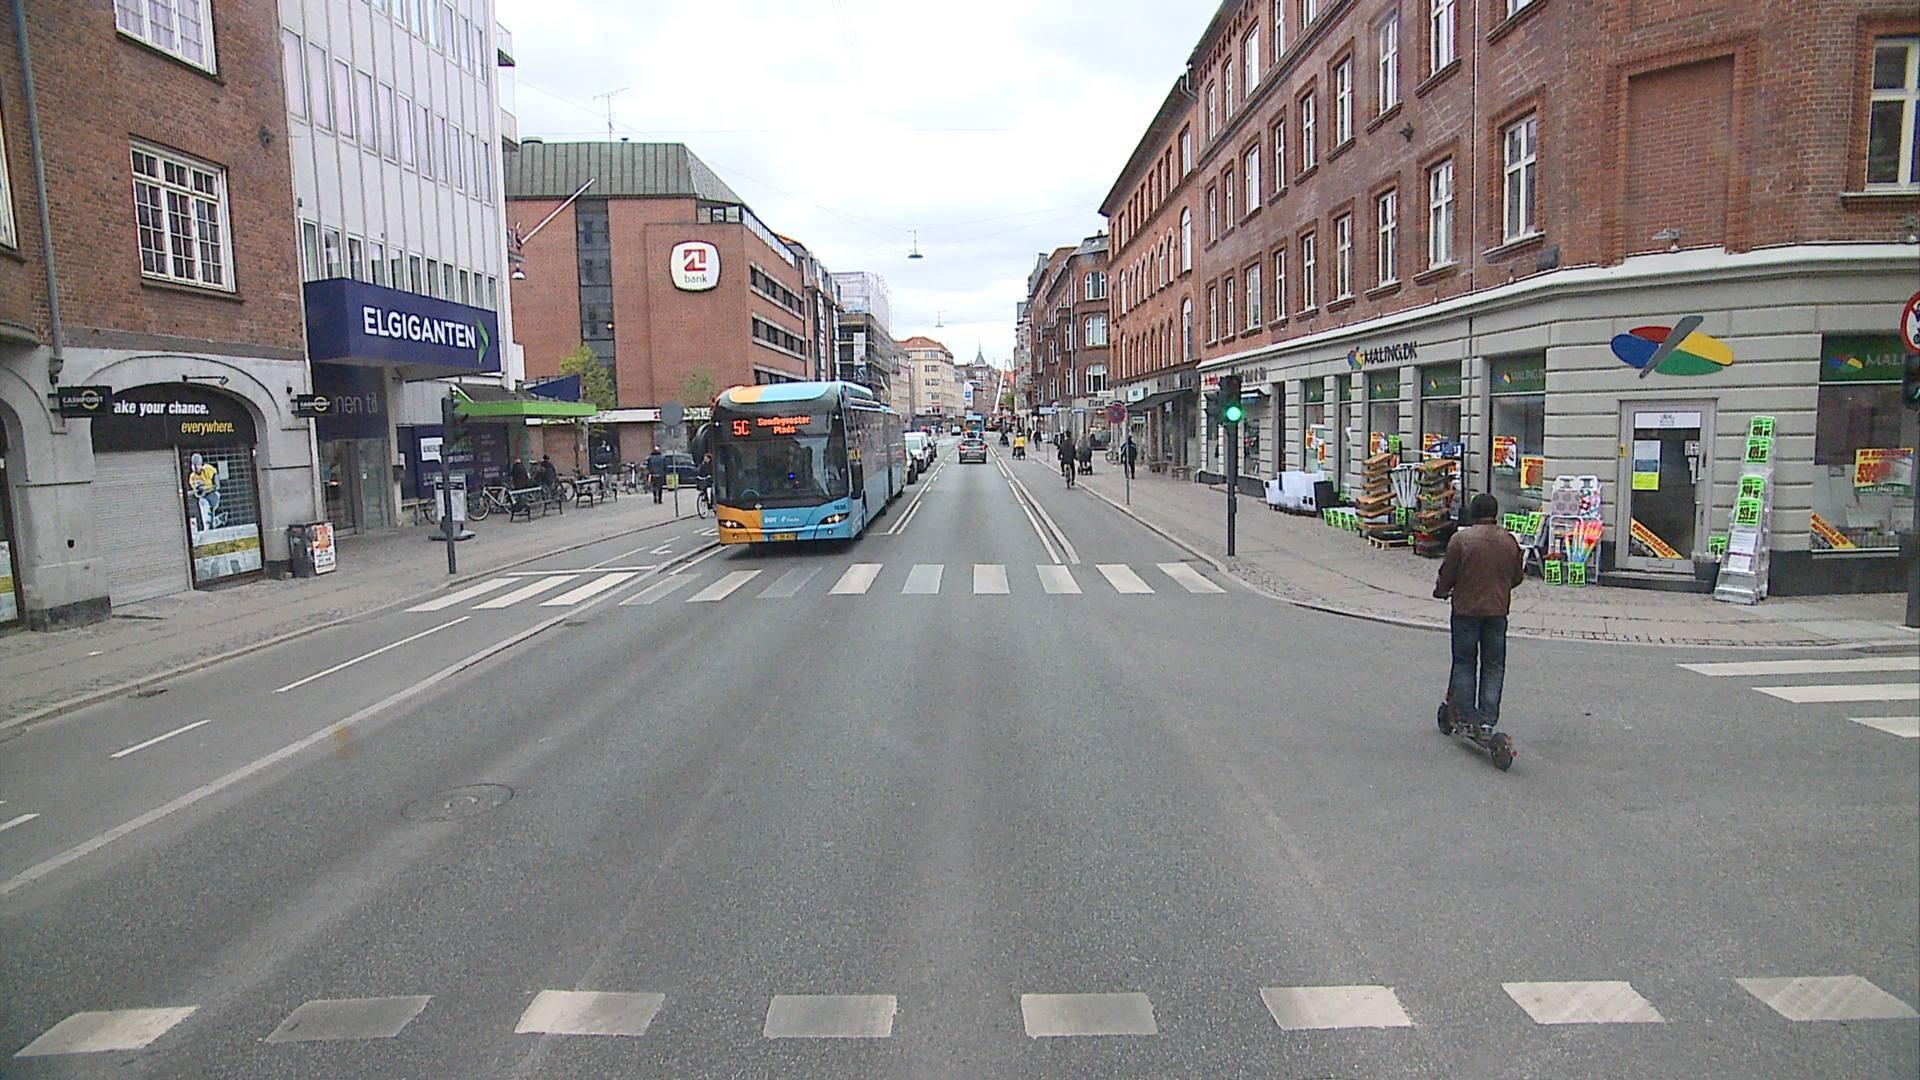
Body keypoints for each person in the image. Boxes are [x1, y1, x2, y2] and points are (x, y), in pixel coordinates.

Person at [1433, 492, 1525, 733]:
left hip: (1466, 610)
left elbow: (1447, 573)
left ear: (1473, 513)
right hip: (1497, 611)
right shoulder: (1509, 541)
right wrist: (1500, 588)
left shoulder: (1461, 540)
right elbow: (1517, 577)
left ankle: (1466, 716)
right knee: (1493, 665)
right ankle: (1487, 719)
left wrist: (1441, 591)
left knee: (1464, 663)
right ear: (1495, 514)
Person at [185, 452, 220, 531]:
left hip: (213, 494)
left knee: (211, 510)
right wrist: (199, 490)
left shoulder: (208, 469)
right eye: (193, 465)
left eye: (197, 465)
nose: (195, 467)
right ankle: (208, 525)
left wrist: (211, 486)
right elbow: (197, 494)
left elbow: (217, 485)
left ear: (201, 465)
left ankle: (214, 520)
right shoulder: (192, 477)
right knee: (203, 503)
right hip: (204, 497)